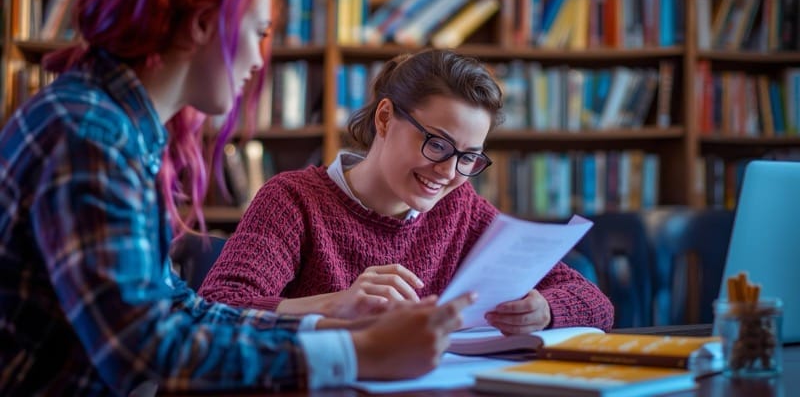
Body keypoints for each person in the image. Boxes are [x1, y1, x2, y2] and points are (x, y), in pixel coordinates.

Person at [0, 0, 475, 395]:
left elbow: (176, 308)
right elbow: (142, 348)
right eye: (258, 32)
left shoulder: (116, 127)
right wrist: (356, 353)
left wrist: (329, 326)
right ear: (203, 25)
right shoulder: (88, 135)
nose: (257, 60)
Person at [199, 49, 615, 334]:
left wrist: (544, 311)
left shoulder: (461, 208)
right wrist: (331, 305)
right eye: (437, 144)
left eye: (469, 157)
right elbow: (214, 308)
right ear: (384, 118)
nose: (449, 172)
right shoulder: (293, 200)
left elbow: (595, 302)